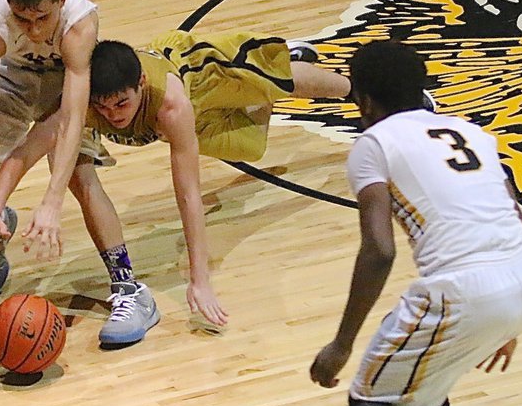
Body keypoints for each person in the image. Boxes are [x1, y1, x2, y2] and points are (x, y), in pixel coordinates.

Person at [309, 40, 522, 406]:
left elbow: (379, 250)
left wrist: (341, 344)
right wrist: (507, 316)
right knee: (424, 367)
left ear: (364, 101)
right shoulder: (471, 132)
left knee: (369, 401)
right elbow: (513, 215)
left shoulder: (373, 145)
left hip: (463, 287)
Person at [0, 0, 158, 346]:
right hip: (12, 79)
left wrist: (51, 203)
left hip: (64, 84)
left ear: (60, 0)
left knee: (78, 174)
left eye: (42, 18)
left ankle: (129, 289)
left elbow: (71, 118)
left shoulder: (79, 24)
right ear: (8, 6)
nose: (34, 30)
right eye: (22, 20)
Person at [86, 29, 353, 327]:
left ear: (141, 83)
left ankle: (355, 89)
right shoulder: (83, 103)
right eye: (103, 108)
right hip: (187, 113)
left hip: (200, 75)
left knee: (276, 82)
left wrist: (200, 280)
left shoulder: (171, 106)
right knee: (249, 149)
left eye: (121, 104)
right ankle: (266, 84)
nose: (112, 115)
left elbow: (188, 194)